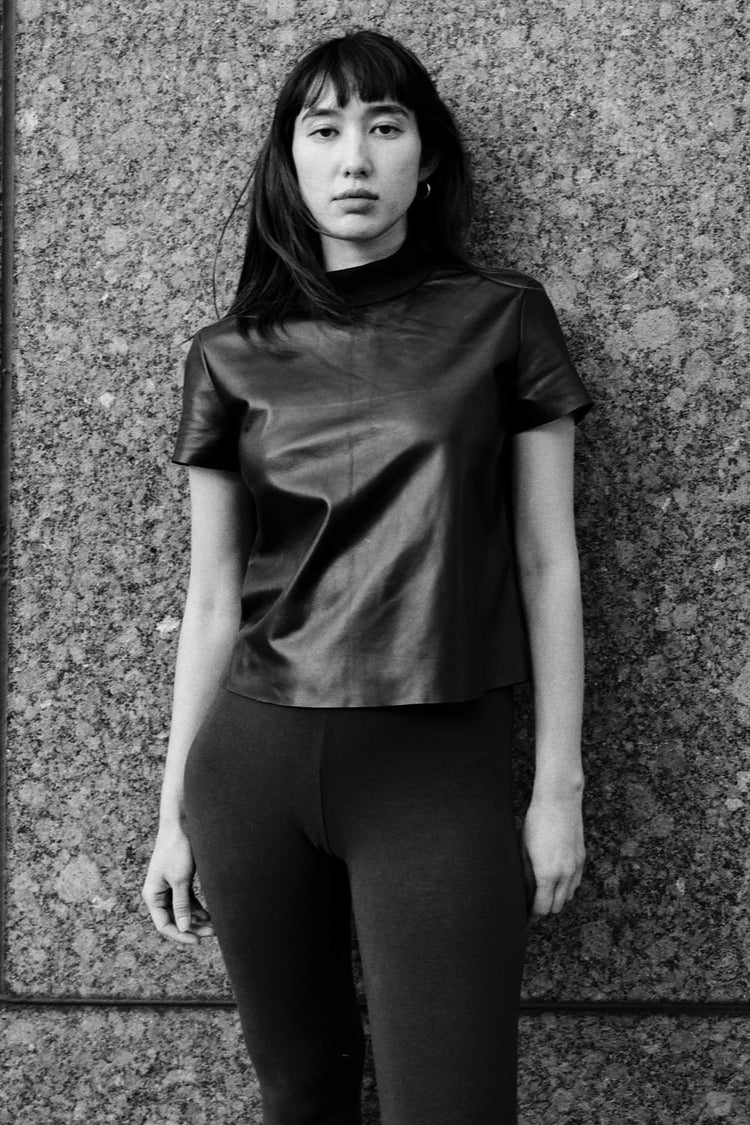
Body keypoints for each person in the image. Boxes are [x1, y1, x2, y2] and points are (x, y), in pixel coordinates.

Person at [143, 28, 591, 1125]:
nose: (354, 159)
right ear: (289, 161)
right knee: (301, 1095)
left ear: (424, 158)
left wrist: (559, 787)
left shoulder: (502, 316)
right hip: (252, 764)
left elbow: (548, 560)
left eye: (384, 128)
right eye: (325, 130)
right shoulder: (230, 351)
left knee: (451, 1105)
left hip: (437, 768)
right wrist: (170, 813)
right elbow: (213, 596)